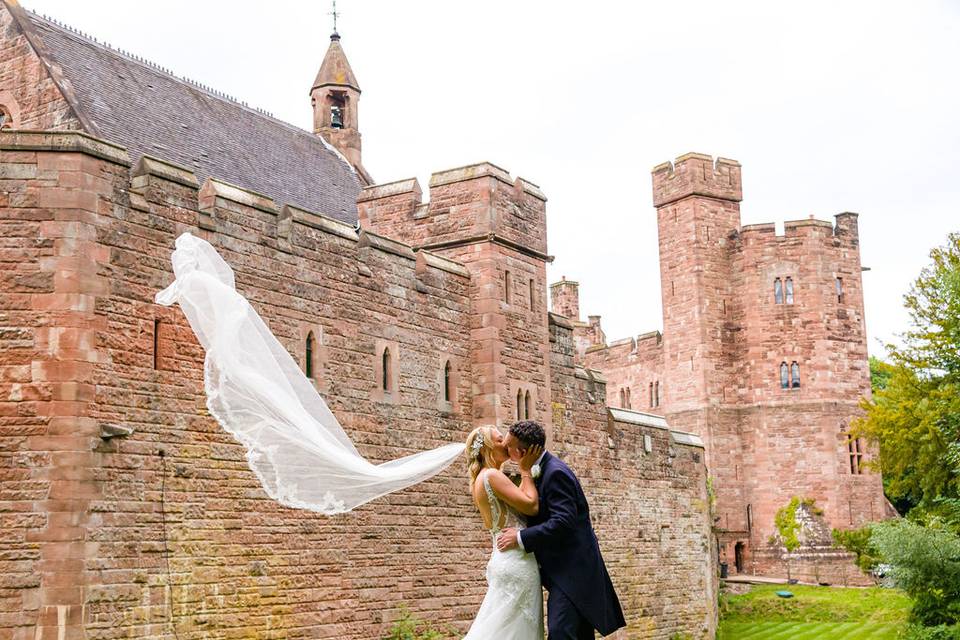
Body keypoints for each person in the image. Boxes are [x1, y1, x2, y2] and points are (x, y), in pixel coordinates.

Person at [497, 420, 626, 639]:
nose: (505, 450)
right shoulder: (538, 469)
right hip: (562, 571)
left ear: (524, 451)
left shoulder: (555, 472)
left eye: (509, 446)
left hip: (574, 571)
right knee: (577, 634)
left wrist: (520, 537)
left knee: (560, 632)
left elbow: (563, 521)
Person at [463, 425, 545, 639]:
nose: (507, 443)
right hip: (516, 561)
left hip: (503, 557)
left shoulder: (480, 479)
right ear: (488, 448)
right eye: (500, 440)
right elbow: (531, 506)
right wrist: (526, 471)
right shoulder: (491, 475)